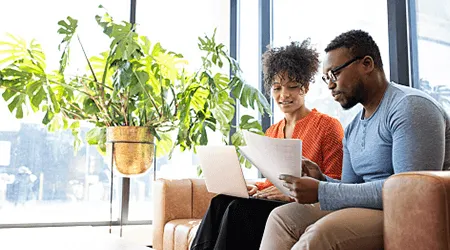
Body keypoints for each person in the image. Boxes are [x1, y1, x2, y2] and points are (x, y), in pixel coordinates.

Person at [259, 30, 450, 250]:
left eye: (335, 74)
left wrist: (321, 190)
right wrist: (322, 179)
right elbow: (351, 189)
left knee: (320, 234)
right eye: (326, 78)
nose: (330, 85)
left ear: (366, 64)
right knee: (281, 219)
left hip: (405, 212)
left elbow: (409, 192)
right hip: (372, 207)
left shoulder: (409, 107)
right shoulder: (353, 129)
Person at [190, 39, 344, 250]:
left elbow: (337, 181)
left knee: (238, 209)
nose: (283, 95)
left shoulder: (328, 126)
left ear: (305, 88)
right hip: (274, 201)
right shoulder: (272, 132)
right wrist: (256, 187)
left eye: (292, 87)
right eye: (277, 88)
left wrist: (291, 195)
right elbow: (273, 179)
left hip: (306, 204)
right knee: (220, 201)